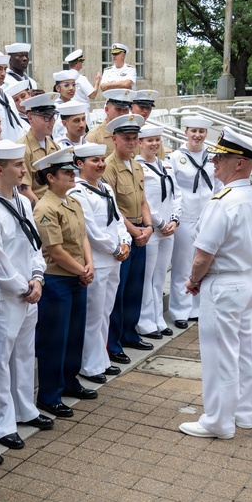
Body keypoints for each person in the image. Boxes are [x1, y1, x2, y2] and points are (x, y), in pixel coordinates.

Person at [179, 128, 252, 440]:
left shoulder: (223, 200)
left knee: (221, 355)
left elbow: (204, 255)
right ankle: (243, 413)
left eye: (223, 157)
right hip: (246, 281)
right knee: (244, 349)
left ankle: (218, 421)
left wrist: (192, 280)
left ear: (240, 163)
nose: (215, 161)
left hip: (224, 285)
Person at [0, 140, 54, 448]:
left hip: (28, 292)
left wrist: (36, 277)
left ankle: (25, 409)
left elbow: (35, 245)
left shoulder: (21, 201)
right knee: (0, 361)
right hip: (7, 298)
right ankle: (1, 423)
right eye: (18, 165)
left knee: (23, 355)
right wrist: (24, 287)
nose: (24, 169)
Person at [31, 149, 95, 418]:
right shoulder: (45, 208)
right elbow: (54, 250)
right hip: (57, 279)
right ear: (51, 177)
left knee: (74, 336)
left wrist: (89, 264)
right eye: (67, 172)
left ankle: (70, 382)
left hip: (77, 276)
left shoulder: (72, 202)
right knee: (54, 340)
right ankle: (49, 395)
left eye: (72, 171)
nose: (73, 175)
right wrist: (82, 269)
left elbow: (82, 237)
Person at [68, 142, 131, 383]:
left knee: (105, 312)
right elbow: (90, 230)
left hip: (114, 260)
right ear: (80, 164)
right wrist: (116, 247)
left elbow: (117, 220)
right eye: (94, 160)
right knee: (93, 315)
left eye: (102, 159)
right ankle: (89, 365)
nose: (101, 164)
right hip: (96, 260)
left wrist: (125, 242)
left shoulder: (105, 188)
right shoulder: (77, 192)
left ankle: (101, 358)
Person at [101, 114, 154, 365]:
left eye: (135, 138)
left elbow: (143, 200)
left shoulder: (137, 165)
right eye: (126, 138)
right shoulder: (109, 167)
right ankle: (113, 343)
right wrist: (135, 231)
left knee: (135, 288)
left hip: (140, 230)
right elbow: (113, 207)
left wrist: (149, 227)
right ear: (114, 139)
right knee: (118, 293)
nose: (132, 143)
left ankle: (130, 333)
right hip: (123, 233)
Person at [167, 115, 221, 329]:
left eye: (202, 131)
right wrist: (176, 215)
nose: (197, 135)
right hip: (185, 217)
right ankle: (180, 309)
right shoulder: (176, 157)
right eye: (193, 131)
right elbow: (174, 189)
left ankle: (197, 308)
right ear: (185, 132)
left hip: (206, 216)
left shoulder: (213, 156)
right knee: (182, 265)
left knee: (204, 263)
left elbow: (217, 184)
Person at [135, 123, 180, 339]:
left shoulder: (167, 165)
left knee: (160, 277)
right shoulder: (137, 167)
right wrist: (160, 223)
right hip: (152, 228)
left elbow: (177, 194)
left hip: (168, 229)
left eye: (157, 140)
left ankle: (158, 319)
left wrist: (175, 219)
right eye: (149, 140)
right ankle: (145, 321)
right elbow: (143, 201)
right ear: (140, 143)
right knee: (147, 277)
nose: (154, 144)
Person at [20, 93, 61, 200]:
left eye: (53, 117)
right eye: (46, 117)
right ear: (30, 118)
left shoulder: (54, 146)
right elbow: (24, 190)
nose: (52, 122)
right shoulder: (22, 149)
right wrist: (44, 212)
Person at [84, 88, 134, 153]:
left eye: (125, 110)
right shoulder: (94, 137)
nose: (122, 113)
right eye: (118, 109)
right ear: (107, 110)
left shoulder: (133, 135)